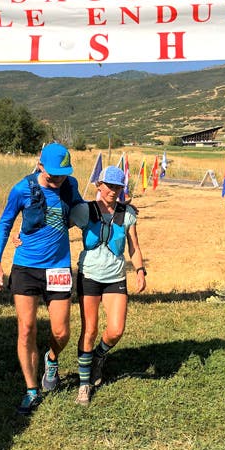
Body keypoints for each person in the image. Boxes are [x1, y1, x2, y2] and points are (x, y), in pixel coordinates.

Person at [0, 143, 83, 415]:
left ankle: (51, 358)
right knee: (26, 328)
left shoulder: (70, 185)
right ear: (40, 165)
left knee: (61, 332)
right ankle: (32, 390)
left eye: (63, 174)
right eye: (53, 174)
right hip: (26, 268)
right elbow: (5, 223)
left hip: (58, 268)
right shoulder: (22, 188)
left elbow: (80, 213)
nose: (57, 180)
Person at [70, 165, 146, 406]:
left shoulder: (127, 214)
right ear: (98, 186)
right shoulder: (84, 211)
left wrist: (140, 270)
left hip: (115, 277)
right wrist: (24, 235)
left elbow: (133, 245)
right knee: (89, 330)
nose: (113, 191)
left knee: (115, 330)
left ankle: (98, 357)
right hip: (89, 276)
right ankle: (84, 385)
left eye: (118, 187)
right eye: (109, 186)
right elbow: (57, 225)